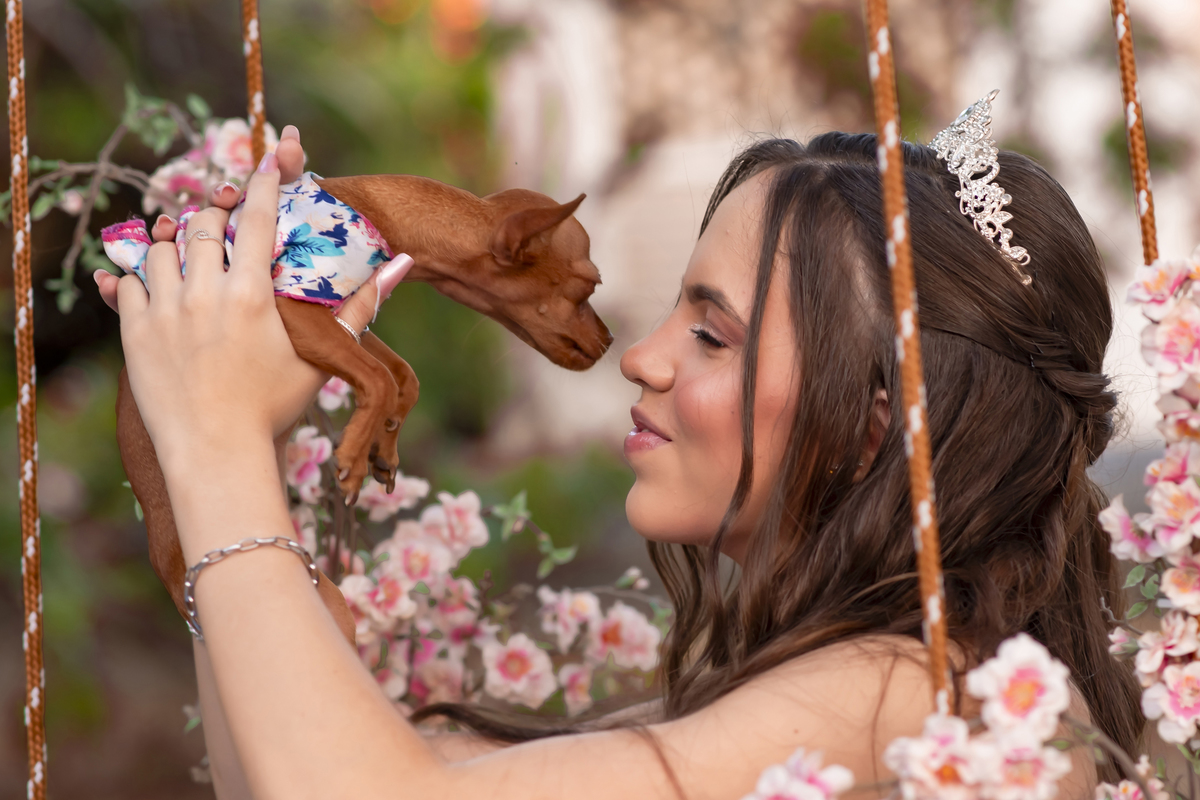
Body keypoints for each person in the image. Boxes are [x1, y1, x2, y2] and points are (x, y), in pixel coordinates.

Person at [93, 123, 1141, 800]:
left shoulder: (914, 696)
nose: (637, 357)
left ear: (874, 428)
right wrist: (214, 458)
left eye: (712, 335)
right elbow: (308, 775)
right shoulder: (847, 688)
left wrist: (220, 442)